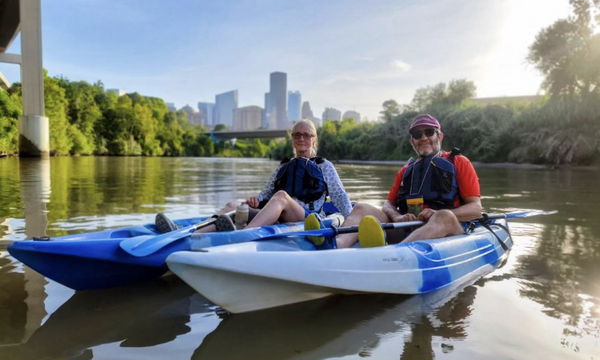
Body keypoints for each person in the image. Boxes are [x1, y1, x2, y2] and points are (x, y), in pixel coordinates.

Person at [312, 113, 481, 249]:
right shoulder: (405, 170)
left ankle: (396, 253)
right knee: (362, 207)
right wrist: (397, 216)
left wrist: (437, 213)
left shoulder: (459, 162)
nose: (423, 137)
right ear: (412, 141)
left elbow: (476, 209)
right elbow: (388, 204)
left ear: (440, 136)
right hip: (409, 228)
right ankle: (337, 246)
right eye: (417, 134)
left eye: (429, 132)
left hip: (448, 230)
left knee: (444, 215)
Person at [155, 119, 353, 235]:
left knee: (282, 196)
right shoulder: (285, 166)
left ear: (314, 139)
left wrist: (352, 221)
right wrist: (255, 201)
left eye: (307, 135)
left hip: (306, 217)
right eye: (297, 134)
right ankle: (186, 233)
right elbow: (266, 193)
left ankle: (243, 234)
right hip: (279, 216)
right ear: (292, 138)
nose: (302, 138)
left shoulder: (324, 166)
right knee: (235, 206)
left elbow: (339, 196)